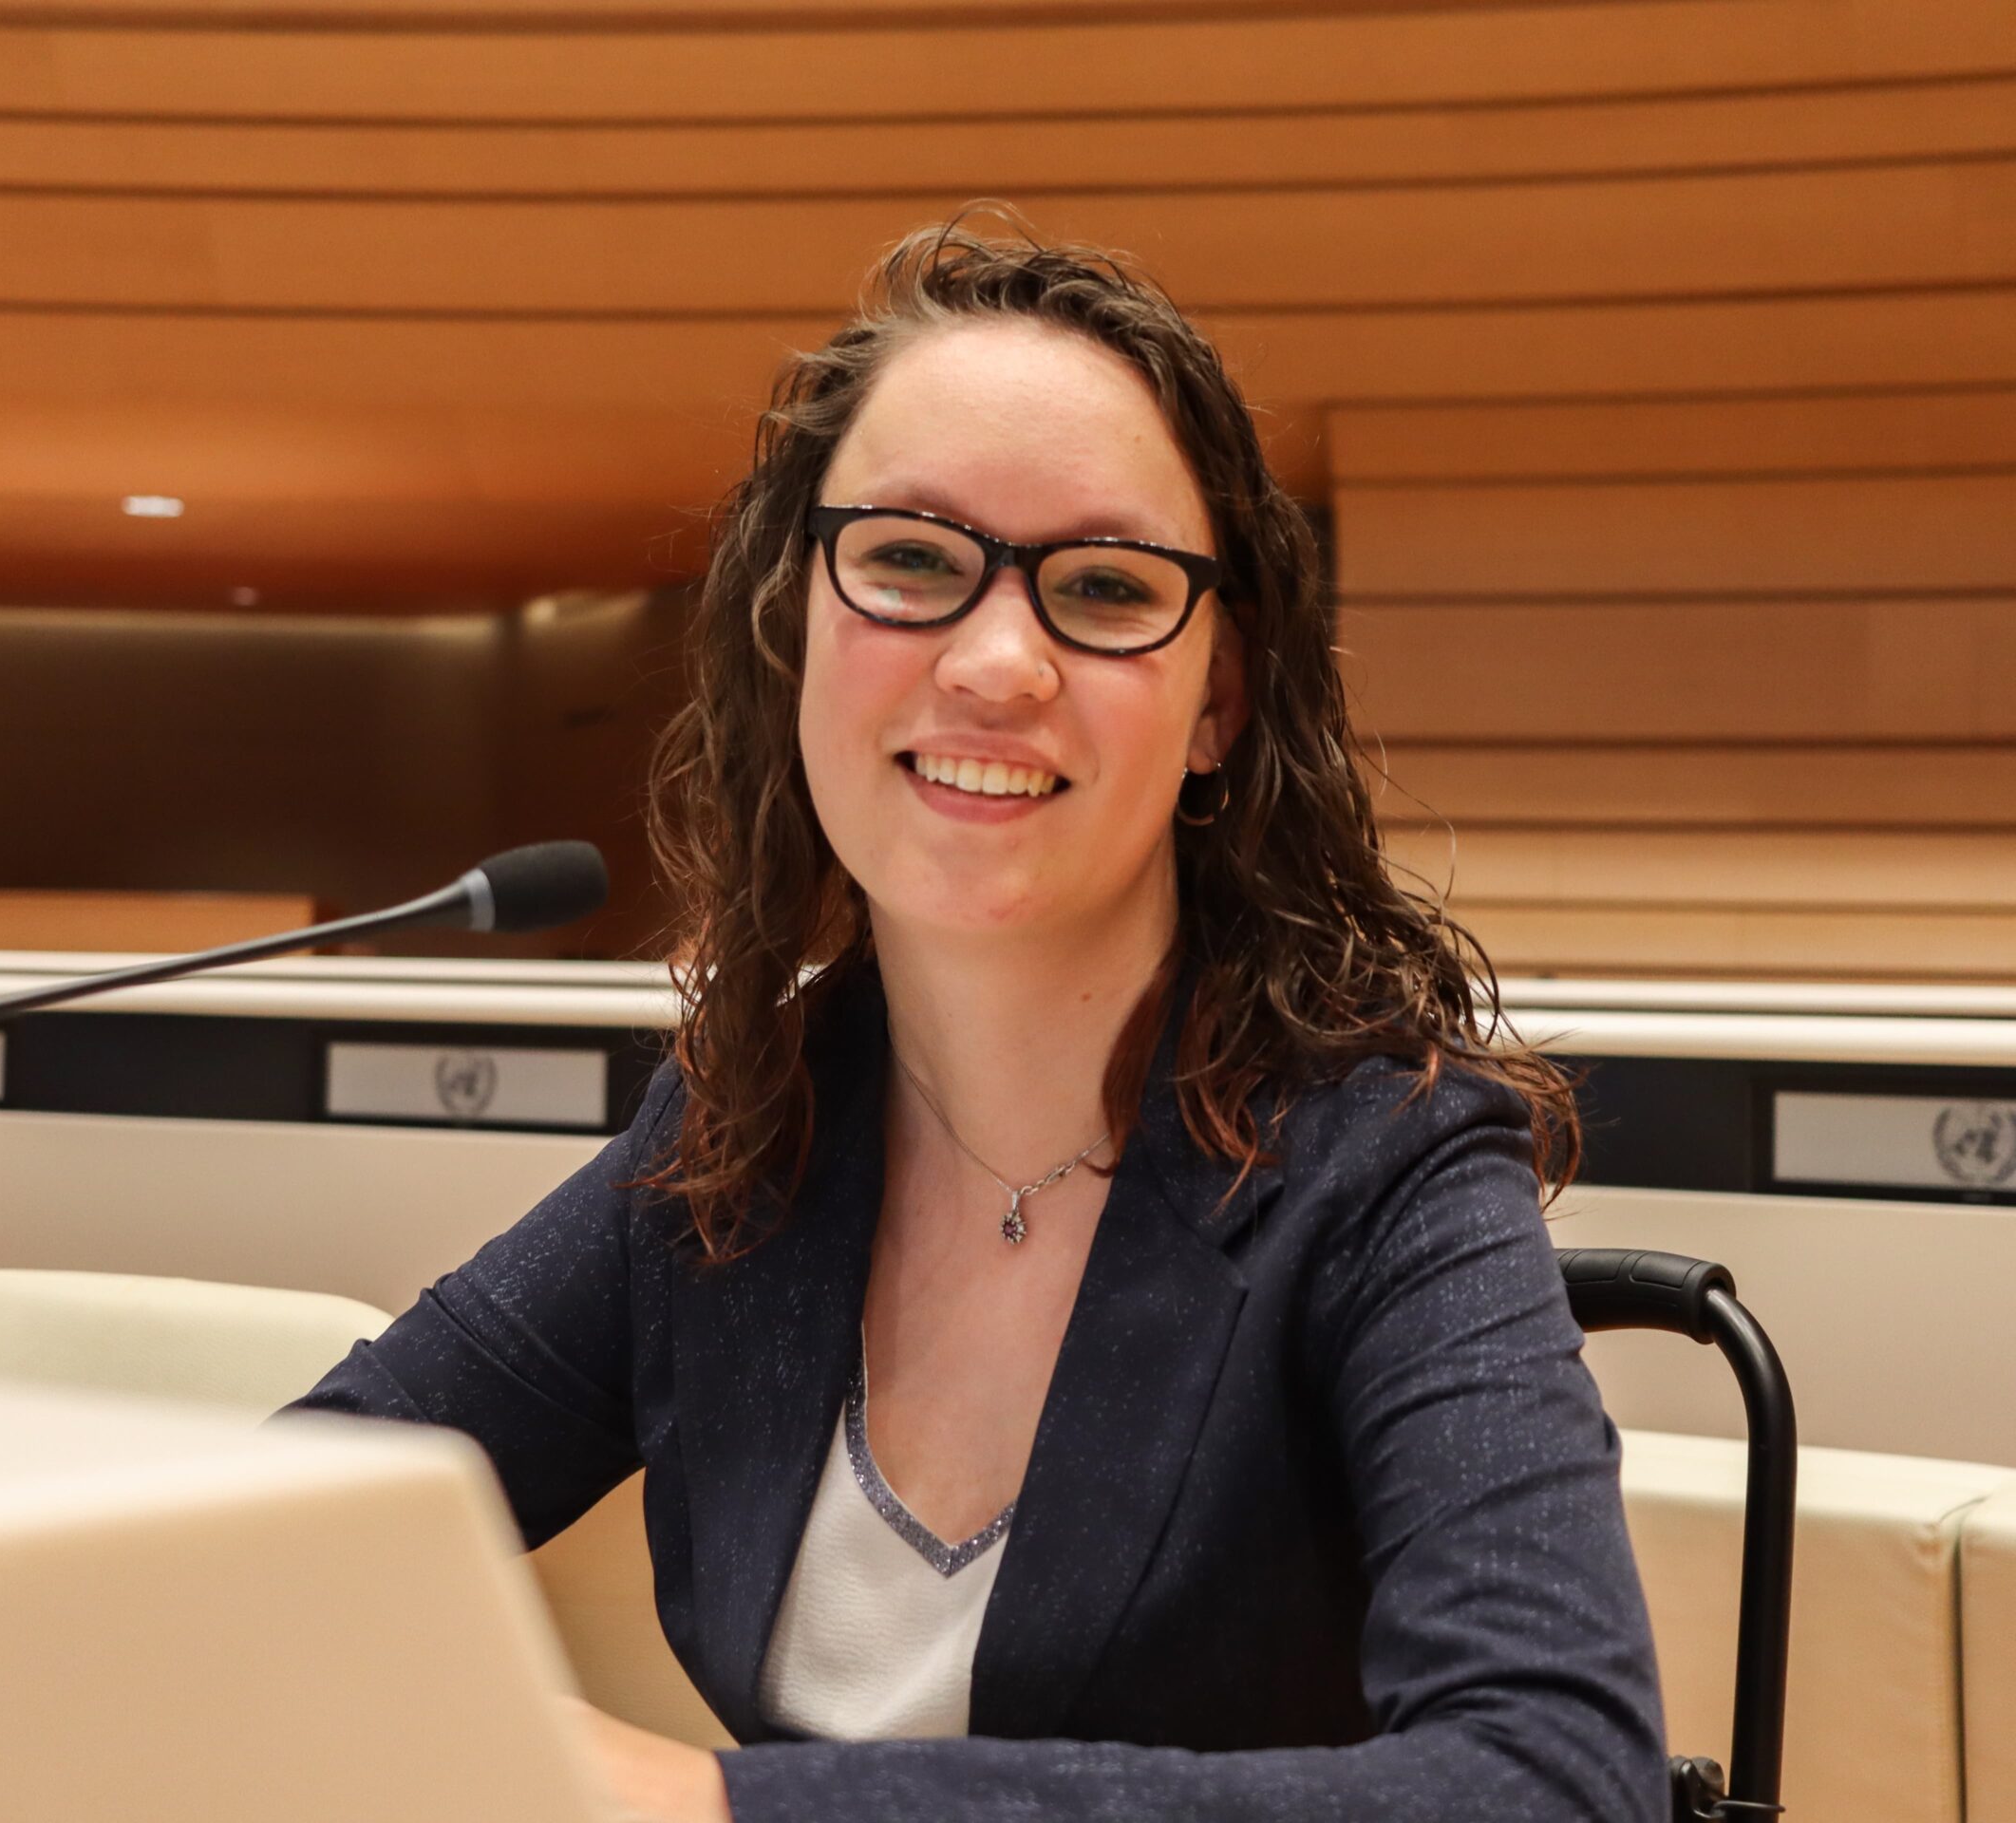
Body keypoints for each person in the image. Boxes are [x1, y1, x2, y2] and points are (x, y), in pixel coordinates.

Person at [288, 216, 1666, 1823]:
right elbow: (285, 1522)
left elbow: (1554, 1786)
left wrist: (715, 1811)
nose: (998, 662)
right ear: (798, 622)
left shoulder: (1385, 1168)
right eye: (913, 561)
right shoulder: (743, 1133)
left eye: (1102, 586)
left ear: (1218, 702)